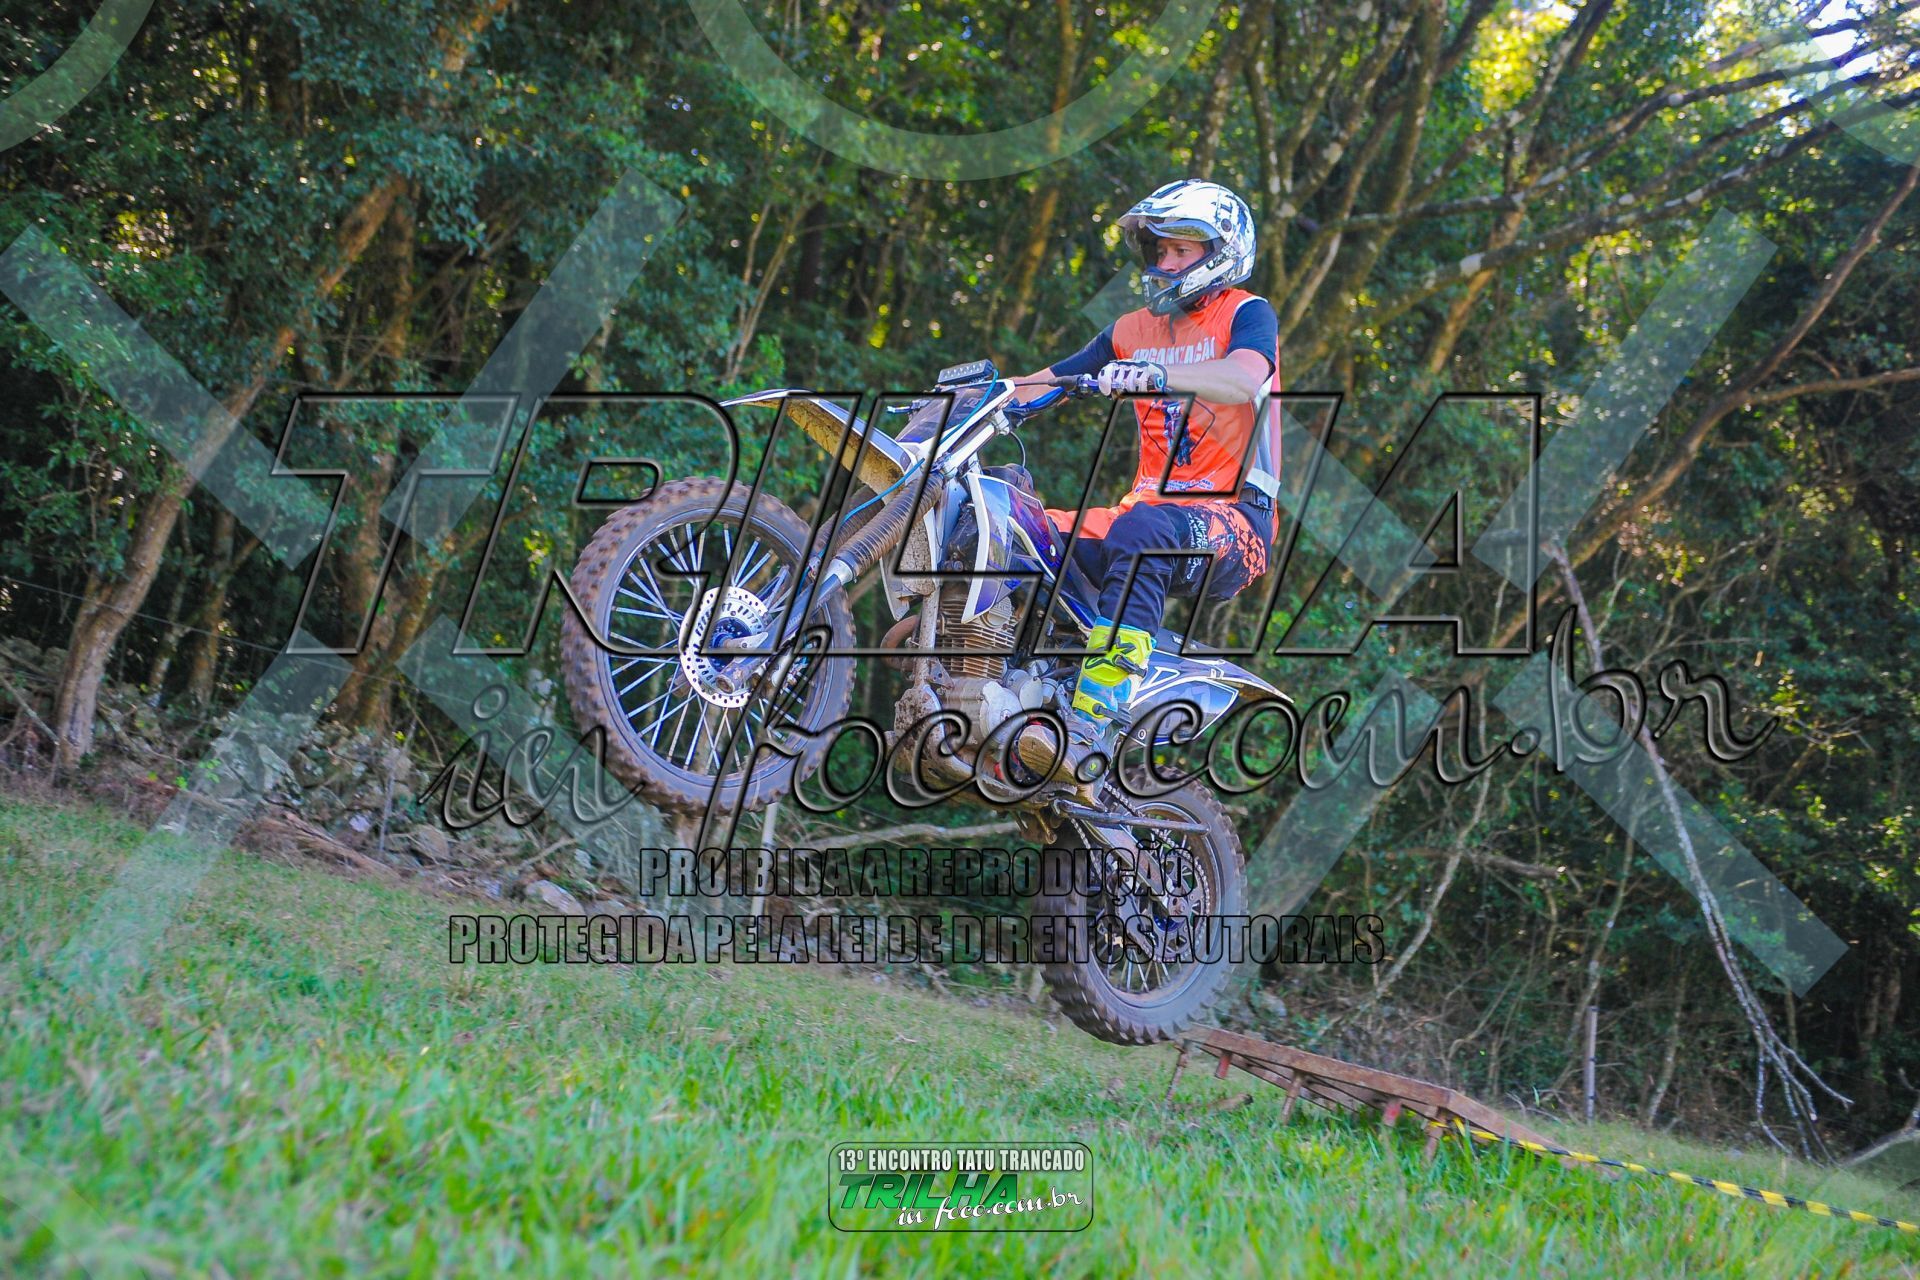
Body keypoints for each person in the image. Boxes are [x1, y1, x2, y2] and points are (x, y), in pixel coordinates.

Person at [1011, 178, 1281, 780]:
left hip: (1234, 522)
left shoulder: (1246, 313)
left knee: (1144, 532)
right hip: (1144, 510)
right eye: (1160, 250)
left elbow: (1243, 377)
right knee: (1017, 528)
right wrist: (982, 396)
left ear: (1221, 253)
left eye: (1181, 250)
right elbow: (1050, 380)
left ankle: (1095, 718)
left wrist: (1160, 373)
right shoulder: (1131, 330)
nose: (1166, 262)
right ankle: (1000, 684)